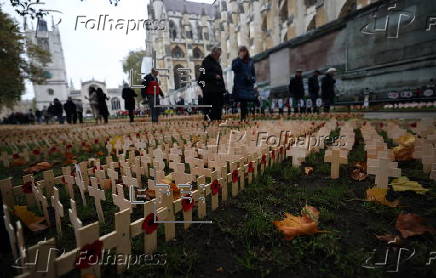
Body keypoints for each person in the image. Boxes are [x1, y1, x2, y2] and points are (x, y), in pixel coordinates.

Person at [199, 47, 227, 121]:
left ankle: (217, 123)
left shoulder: (216, 62)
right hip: (210, 89)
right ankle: (210, 125)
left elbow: (220, 76)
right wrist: (214, 76)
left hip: (218, 89)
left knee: (218, 108)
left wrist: (223, 88)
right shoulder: (206, 61)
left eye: (219, 55)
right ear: (213, 53)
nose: (219, 56)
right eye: (218, 55)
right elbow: (203, 74)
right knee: (211, 109)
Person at [232, 46, 256, 121]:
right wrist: (240, 59)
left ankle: (247, 116)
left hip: (248, 84)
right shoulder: (236, 60)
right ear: (239, 52)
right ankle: (243, 118)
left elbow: (253, 72)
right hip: (240, 84)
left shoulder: (250, 61)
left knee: (248, 101)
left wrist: (252, 79)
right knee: (243, 101)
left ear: (246, 52)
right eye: (241, 51)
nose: (242, 53)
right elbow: (234, 68)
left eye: (244, 51)